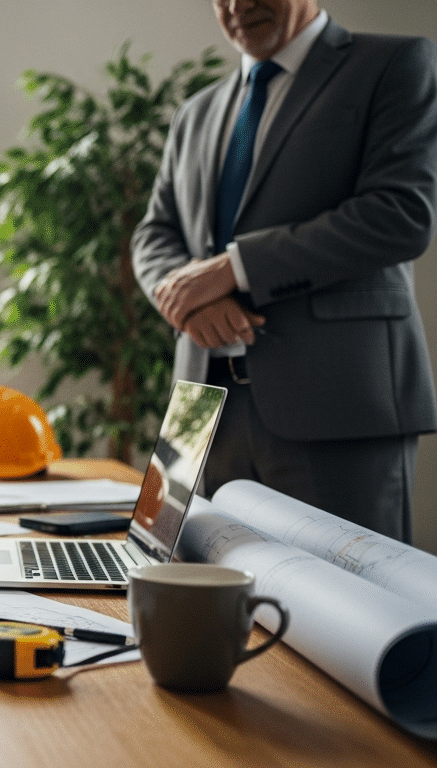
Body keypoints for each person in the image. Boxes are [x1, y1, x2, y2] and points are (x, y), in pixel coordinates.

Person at [132, 0, 437, 542]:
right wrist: (190, 299)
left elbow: (400, 214)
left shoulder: (394, 64)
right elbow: (154, 234)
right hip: (199, 408)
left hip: (337, 406)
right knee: (192, 604)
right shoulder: (196, 112)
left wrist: (234, 268)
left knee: (352, 613)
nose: (238, 5)